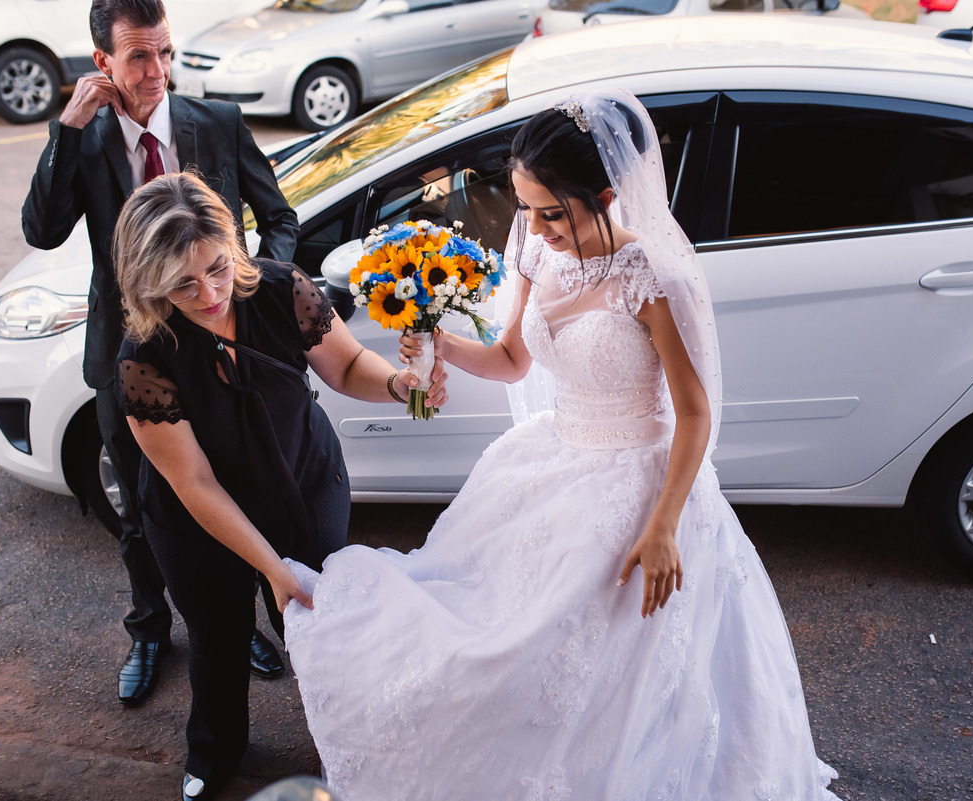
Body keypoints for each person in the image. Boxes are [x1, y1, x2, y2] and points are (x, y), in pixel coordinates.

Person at [283, 89, 841, 799]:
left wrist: (664, 525)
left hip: (638, 485)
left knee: (607, 680)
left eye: (553, 212)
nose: (537, 228)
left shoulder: (653, 277)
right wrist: (441, 344)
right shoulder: (541, 256)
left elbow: (695, 413)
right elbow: (513, 360)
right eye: (525, 208)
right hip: (551, 464)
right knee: (493, 643)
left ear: (606, 195)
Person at [112, 171, 447, 801]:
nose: (210, 293)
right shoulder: (143, 357)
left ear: (231, 246)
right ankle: (214, 753)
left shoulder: (278, 289)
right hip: (199, 517)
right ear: (149, 282)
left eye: (215, 267)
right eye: (183, 284)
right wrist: (272, 567)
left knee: (325, 627)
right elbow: (196, 482)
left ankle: (344, 748)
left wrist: (403, 385)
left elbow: (346, 364)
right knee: (216, 638)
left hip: (302, 480)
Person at [20, 0, 298, 707]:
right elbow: (42, 230)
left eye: (166, 53)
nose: (158, 72)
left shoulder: (218, 123)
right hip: (128, 358)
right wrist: (65, 130)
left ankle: (236, 620)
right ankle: (148, 627)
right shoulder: (82, 141)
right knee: (142, 505)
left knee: (229, 491)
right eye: (140, 57)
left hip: (220, 353)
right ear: (102, 64)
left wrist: (256, 298)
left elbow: (281, 219)